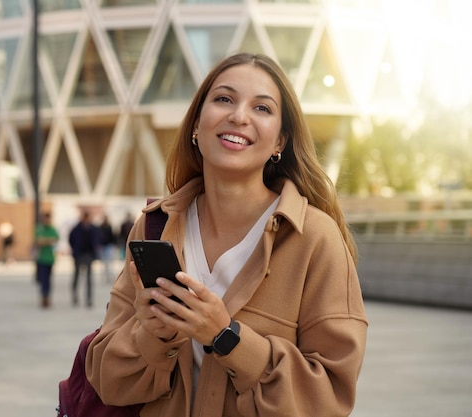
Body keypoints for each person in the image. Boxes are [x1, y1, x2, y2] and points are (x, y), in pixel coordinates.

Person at [85, 53, 368, 417]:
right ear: (196, 125)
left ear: (279, 141)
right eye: (223, 99)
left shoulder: (314, 237)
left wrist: (225, 336)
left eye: (262, 108)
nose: (239, 116)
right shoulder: (154, 227)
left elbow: (329, 397)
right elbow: (108, 381)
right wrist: (151, 335)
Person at [68, 210, 100, 307]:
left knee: (89, 278)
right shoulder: (76, 229)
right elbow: (71, 239)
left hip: (89, 254)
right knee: (77, 276)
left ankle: (89, 299)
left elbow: (97, 239)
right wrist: (75, 249)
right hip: (79, 254)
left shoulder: (93, 229)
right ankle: (75, 296)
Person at [34, 212, 59, 309]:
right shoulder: (40, 229)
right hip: (41, 259)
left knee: (48, 280)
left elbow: (55, 239)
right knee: (43, 279)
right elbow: (38, 241)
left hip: (50, 259)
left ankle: (47, 296)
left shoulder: (52, 229)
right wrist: (48, 241)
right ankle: (44, 296)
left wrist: (44, 241)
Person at [98, 215, 117, 282]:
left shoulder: (109, 227)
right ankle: (105, 276)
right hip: (103, 246)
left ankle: (108, 276)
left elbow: (113, 236)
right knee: (104, 263)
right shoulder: (101, 227)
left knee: (109, 262)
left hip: (108, 246)